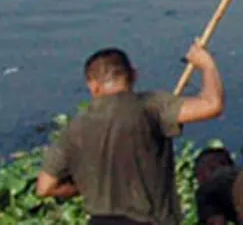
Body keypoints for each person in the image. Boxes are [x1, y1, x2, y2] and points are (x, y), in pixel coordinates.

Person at [36, 44, 226, 225]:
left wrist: (79, 187)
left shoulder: (73, 129)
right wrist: (207, 64)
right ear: (133, 75)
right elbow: (212, 105)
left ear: (93, 86)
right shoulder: (150, 107)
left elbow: (45, 187)